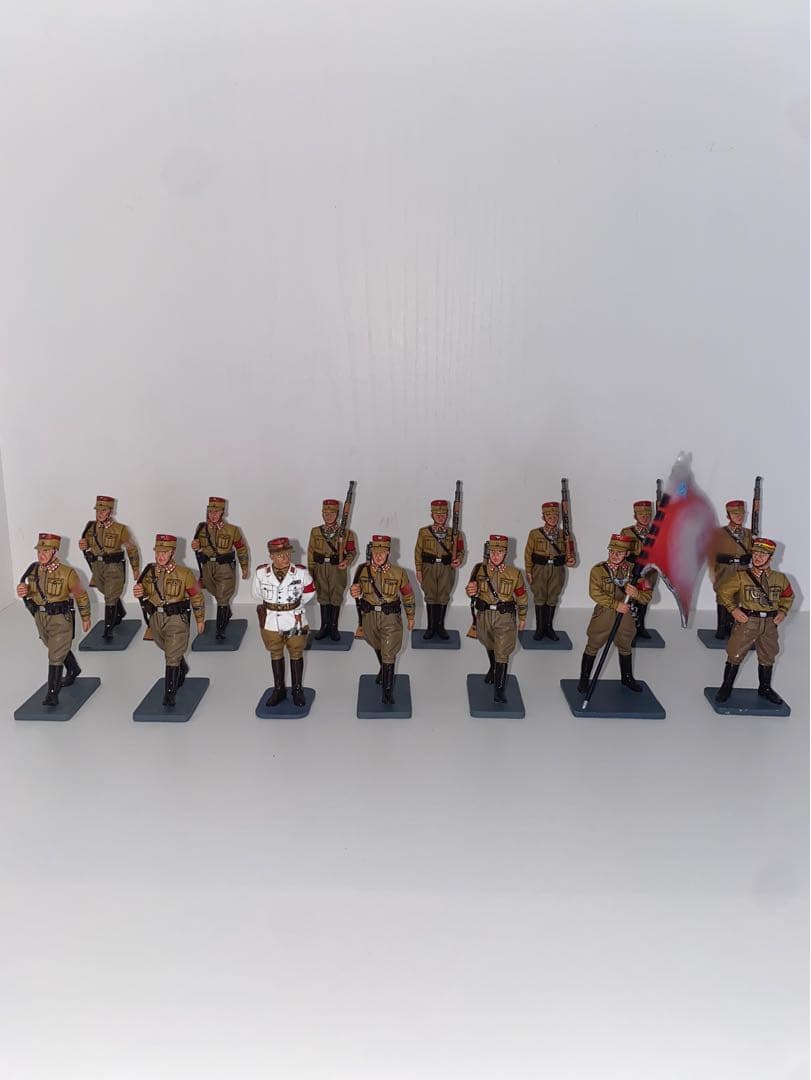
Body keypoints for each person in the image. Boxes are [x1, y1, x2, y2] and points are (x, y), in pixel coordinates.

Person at [715, 537, 794, 704]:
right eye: (756, 553)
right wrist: (733, 609)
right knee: (735, 653)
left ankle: (765, 688)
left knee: (768, 655)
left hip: (770, 624)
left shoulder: (780, 578)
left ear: (771, 558)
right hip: (748, 621)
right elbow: (723, 591)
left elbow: (788, 596)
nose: (758, 557)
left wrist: (783, 611)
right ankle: (726, 687)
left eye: (763, 554)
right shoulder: (741, 576)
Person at [17, 533, 92, 706]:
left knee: (55, 655)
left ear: (54, 552)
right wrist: (25, 590)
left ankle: (52, 694)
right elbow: (34, 591)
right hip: (41, 617)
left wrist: (86, 616)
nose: (41, 555)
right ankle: (73, 669)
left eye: (45, 551)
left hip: (60, 618)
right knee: (54, 647)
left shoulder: (67, 573)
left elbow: (81, 595)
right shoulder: (33, 570)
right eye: (39, 551)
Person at [133, 534, 205, 706]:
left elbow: (197, 597)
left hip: (176, 619)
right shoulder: (149, 572)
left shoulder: (185, 574)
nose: (160, 556)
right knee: (166, 647)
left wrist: (200, 619)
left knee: (171, 656)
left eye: (164, 552)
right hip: (156, 618)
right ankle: (182, 667)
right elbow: (144, 590)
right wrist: (140, 592)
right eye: (158, 552)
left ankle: (169, 695)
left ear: (172, 552)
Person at [577, 534, 652, 694]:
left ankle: (627, 677)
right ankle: (584, 679)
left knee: (625, 644)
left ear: (627, 553)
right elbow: (595, 593)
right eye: (612, 551)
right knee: (593, 644)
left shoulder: (635, 572)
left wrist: (637, 593)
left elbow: (647, 596)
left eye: (619, 552)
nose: (614, 555)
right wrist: (616, 604)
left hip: (625, 615)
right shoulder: (598, 570)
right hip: (605, 614)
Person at [350, 535, 415, 704]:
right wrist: (355, 591)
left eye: (382, 552)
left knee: (389, 652)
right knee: (377, 645)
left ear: (388, 553)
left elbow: (408, 596)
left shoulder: (399, 573)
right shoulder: (362, 570)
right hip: (369, 617)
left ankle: (387, 692)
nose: (378, 556)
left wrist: (410, 616)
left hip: (390, 618)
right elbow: (357, 589)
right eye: (375, 552)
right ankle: (383, 670)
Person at [253, 537, 316, 707]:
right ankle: (279, 689)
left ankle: (297, 690)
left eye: (288, 554)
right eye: (281, 555)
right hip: (271, 621)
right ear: (272, 556)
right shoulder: (261, 573)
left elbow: (309, 593)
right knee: (275, 652)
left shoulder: (301, 573)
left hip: (295, 619)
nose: (286, 558)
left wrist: (295, 605)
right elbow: (256, 594)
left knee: (296, 652)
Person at [466, 535, 528, 702]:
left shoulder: (514, 573)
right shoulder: (479, 569)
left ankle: (499, 691)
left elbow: (522, 597)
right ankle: (493, 668)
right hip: (484, 615)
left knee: (502, 652)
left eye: (499, 552)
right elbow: (471, 590)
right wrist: (470, 590)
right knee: (488, 643)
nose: (495, 556)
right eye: (493, 551)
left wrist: (522, 618)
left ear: (506, 553)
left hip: (504, 617)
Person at [78, 495, 141, 640]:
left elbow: (131, 548)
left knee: (110, 596)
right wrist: (84, 545)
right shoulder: (90, 527)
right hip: (97, 567)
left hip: (113, 567)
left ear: (111, 512)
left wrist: (135, 567)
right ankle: (120, 612)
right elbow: (87, 543)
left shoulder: (120, 529)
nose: (100, 513)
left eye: (104, 510)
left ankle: (108, 630)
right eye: (98, 510)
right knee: (106, 591)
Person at [191, 497, 250, 641]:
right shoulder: (201, 528)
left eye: (216, 512)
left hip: (224, 568)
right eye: (210, 511)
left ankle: (220, 630)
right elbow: (198, 545)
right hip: (207, 567)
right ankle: (226, 613)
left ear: (223, 512)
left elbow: (241, 549)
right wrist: (196, 546)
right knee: (215, 592)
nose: (213, 515)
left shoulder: (232, 530)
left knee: (222, 597)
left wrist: (244, 567)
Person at [524, 501, 575, 641]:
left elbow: (570, 553)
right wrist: (528, 571)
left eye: (555, 516)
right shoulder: (535, 534)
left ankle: (549, 627)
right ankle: (540, 628)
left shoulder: (565, 534)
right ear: (543, 517)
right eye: (549, 516)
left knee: (553, 597)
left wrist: (571, 559)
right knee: (540, 596)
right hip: (540, 569)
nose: (552, 518)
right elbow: (528, 553)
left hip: (557, 570)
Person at [307, 498, 357, 641]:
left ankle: (333, 627)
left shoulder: (347, 533)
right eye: (325, 513)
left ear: (338, 514)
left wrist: (346, 561)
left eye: (332, 513)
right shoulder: (315, 532)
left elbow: (352, 552)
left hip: (337, 569)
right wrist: (311, 571)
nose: (328, 516)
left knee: (336, 596)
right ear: (322, 513)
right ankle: (324, 626)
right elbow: (311, 552)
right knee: (323, 596)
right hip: (320, 567)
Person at [414, 498, 464, 640]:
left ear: (448, 515)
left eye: (443, 514)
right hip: (428, 568)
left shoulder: (455, 533)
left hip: (446, 569)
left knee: (443, 595)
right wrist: (418, 570)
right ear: (432, 515)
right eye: (437, 514)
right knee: (430, 595)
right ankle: (430, 627)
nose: (440, 517)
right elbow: (418, 551)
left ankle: (440, 626)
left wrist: (458, 559)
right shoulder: (424, 532)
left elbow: (460, 550)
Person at [709, 500, 752, 639]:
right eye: (735, 513)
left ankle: (733, 626)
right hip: (725, 570)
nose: (739, 516)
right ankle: (722, 627)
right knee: (723, 597)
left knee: (737, 597)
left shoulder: (748, 534)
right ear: (728, 515)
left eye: (742, 513)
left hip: (742, 570)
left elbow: (753, 551)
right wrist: (712, 573)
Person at [620, 500, 657, 640]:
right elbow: (620, 552)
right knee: (630, 598)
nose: (645, 517)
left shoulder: (656, 533)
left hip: (649, 573)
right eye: (641, 514)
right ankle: (629, 626)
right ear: (635, 516)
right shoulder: (627, 532)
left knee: (644, 598)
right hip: (632, 571)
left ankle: (640, 626)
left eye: (648, 514)